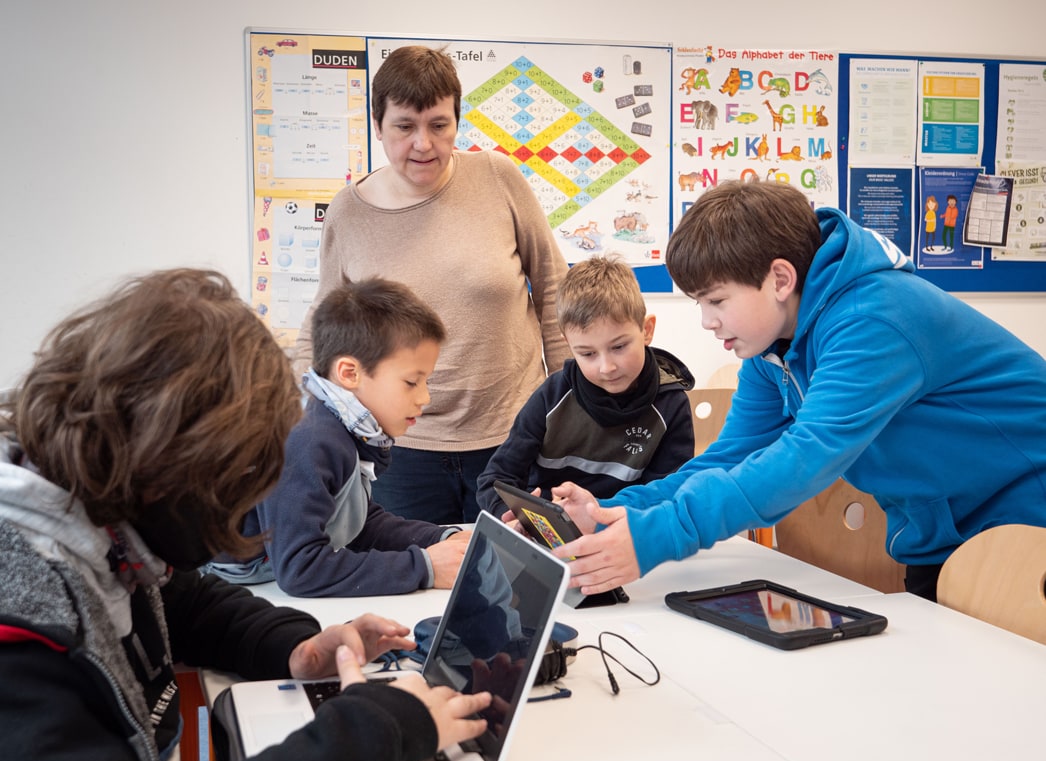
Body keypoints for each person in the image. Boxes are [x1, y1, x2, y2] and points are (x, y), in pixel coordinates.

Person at [0, 268, 490, 761]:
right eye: (238, 478)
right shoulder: (26, 634)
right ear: (163, 456)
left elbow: (183, 601)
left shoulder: (102, 526)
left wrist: (298, 651)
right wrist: (370, 733)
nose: (246, 508)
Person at [553, 179, 1046, 603]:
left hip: (1025, 528)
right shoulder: (773, 347)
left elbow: (804, 458)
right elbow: (729, 458)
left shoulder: (872, 320)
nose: (707, 322)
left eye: (717, 300)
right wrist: (614, 513)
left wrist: (654, 538)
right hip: (947, 538)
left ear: (781, 279)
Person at [293, 44, 571, 525]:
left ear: (456, 123)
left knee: (519, 580)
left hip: (514, 438)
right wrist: (294, 414)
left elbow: (554, 290)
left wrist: (569, 405)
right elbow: (323, 324)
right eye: (405, 127)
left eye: (439, 125)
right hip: (398, 452)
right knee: (418, 581)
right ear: (377, 126)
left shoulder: (498, 177)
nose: (424, 143)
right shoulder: (348, 212)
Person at [205, 277, 470, 597]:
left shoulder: (344, 429)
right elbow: (300, 568)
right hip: (231, 585)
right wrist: (423, 567)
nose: (425, 397)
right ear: (349, 373)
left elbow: (357, 525)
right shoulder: (312, 439)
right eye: (412, 382)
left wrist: (441, 540)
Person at [476, 254, 695, 517]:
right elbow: (496, 479)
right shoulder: (552, 396)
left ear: (646, 330)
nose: (607, 367)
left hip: (626, 533)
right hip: (552, 538)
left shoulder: (671, 404)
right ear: (568, 345)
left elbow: (669, 494)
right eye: (587, 354)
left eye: (619, 347)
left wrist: (598, 515)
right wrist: (517, 516)